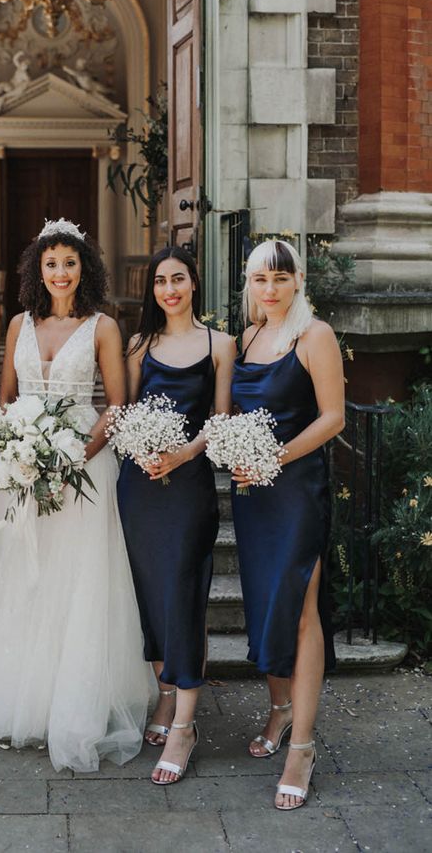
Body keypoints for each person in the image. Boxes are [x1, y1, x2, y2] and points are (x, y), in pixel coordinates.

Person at [0, 219, 151, 772]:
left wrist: (75, 457)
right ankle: (25, 702)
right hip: (24, 466)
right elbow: (5, 398)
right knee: (26, 579)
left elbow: (116, 405)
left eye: (71, 263)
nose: (61, 273)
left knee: (80, 580)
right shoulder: (17, 325)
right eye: (51, 263)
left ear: (86, 269)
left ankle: (78, 706)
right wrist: (17, 448)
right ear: (38, 269)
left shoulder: (104, 326)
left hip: (85, 464)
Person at [230, 239, 344, 810]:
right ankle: (278, 710)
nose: (269, 289)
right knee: (266, 604)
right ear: (248, 285)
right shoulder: (246, 340)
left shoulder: (314, 336)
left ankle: (302, 746)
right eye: (259, 279)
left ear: (297, 281)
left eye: (279, 278)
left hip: (296, 492)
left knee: (300, 610)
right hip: (252, 496)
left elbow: (333, 418)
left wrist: (275, 457)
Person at [117, 246, 236, 785]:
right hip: (140, 487)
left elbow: (221, 417)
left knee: (184, 594)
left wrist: (184, 453)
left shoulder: (221, 345)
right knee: (150, 595)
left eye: (179, 279)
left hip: (188, 488)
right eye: (161, 281)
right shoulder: (140, 344)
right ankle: (166, 696)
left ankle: (185, 727)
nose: (170, 289)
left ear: (194, 284)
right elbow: (125, 412)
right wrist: (139, 450)